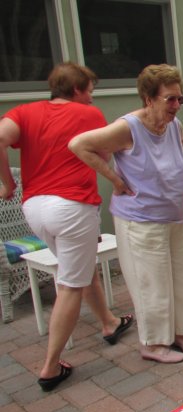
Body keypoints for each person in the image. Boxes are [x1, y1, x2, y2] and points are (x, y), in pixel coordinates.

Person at [0, 62, 133, 391]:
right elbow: (104, 153)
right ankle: (50, 366)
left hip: (35, 207)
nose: (91, 97)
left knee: (79, 269)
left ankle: (109, 323)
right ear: (76, 89)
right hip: (72, 207)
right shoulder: (88, 114)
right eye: (89, 91)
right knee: (70, 284)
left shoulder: (24, 112)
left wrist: (7, 184)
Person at [69, 64, 183, 364]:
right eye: (170, 99)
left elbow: (178, 149)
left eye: (180, 98)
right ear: (148, 99)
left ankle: (179, 334)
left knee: (181, 279)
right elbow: (79, 145)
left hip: (174, 215)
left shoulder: (173, 125)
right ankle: (153, 344)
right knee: (151, 284)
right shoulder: (128, 127)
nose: (177, 105)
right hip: (140, 219)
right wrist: (115, 180)